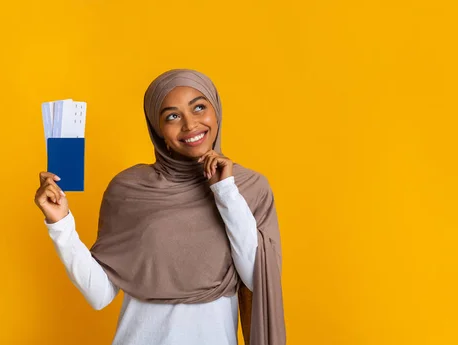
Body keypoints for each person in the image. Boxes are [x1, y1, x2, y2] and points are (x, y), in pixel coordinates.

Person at [34, 69, 286, 345]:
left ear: (216, 113)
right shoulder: (130, 189)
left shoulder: (249, 188)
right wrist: (61, 225)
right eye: (172, 116)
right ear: (158, 131)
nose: (190, 125)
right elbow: (99, 295)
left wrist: (224, 191)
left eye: (199, 107)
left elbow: (256, 277)